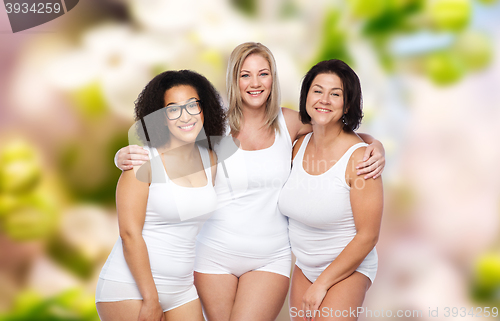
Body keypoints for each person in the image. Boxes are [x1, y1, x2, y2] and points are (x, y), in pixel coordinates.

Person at [115, 42, 385, 321]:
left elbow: (333, 131)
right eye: (245, 75)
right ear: (234, 79)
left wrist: (374, 144)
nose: (255, 83)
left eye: (263, 74)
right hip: (212, 254)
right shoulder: (213, 125)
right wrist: (121, 156)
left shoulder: (289, 122)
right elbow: (167, 145)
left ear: (273, 79)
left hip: (270, 256)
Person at [95, 70, 225, 321]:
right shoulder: (142, 160)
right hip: (130, 289)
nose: (185, 116)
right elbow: (129, 233)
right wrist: (151, 298)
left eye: (192, 105)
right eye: (173, 109)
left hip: (182, 289)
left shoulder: (210, 159)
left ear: (203, 108)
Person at [278, 59, 383, 321]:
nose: (324, 99)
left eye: (335, 94)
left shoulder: (360, 160)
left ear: (347, 104)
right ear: (306, 97)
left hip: (348, 268)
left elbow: (368, 236)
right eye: (317, 90)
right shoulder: (295, 145)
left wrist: (322, 283)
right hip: (304, 265)